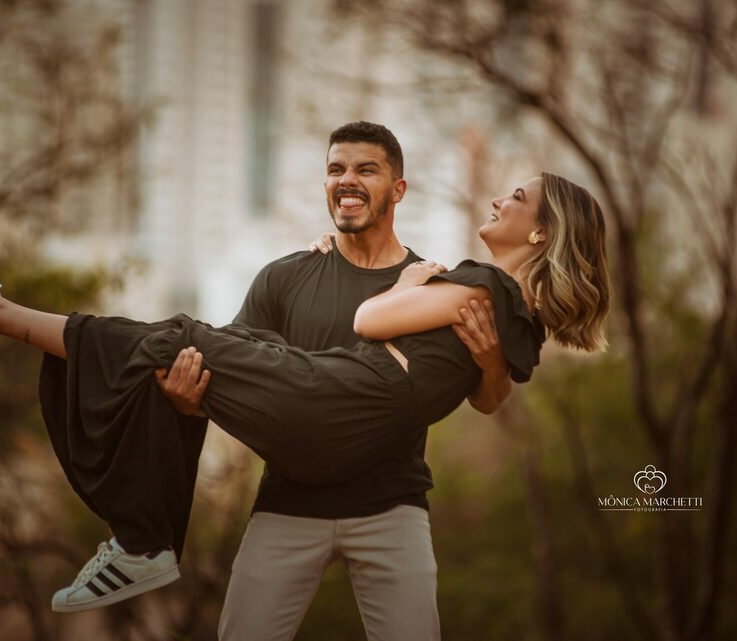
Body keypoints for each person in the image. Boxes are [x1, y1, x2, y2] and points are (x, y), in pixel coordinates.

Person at [0, 147, 610, 624]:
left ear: (540, 231)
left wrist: (407, 283)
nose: (498, 199)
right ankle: (143, 538)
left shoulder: (477, 283)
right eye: (336, 169)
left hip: (347, 415)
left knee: (176, 336)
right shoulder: (524, 321)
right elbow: (487, 393)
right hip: (333, 430)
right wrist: (487, 362)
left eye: (516, 198)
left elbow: (369, 321)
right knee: (192, 346)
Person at [158, 122, 514, 641]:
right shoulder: (284, 277)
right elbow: (228, 381)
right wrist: (186, 399)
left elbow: (486, 400)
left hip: (391, 507)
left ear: (398, 189)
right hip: (288, 502)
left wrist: (493, 362)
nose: (347, 179)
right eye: (336, 169)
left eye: (366, 169)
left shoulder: (432, 287)